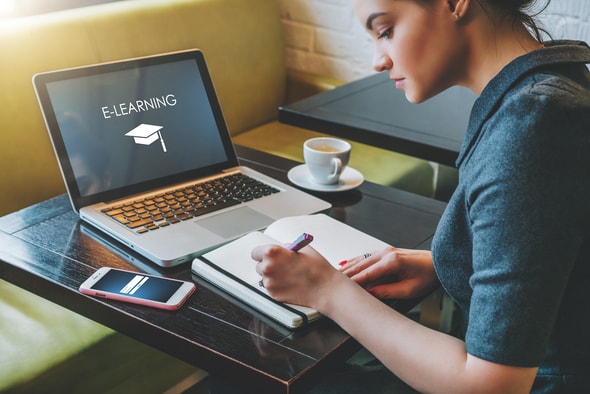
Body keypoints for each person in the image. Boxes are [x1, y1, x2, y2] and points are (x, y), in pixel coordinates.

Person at [251, 0, 590, 392]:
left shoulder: (533, 124)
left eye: (386, 31)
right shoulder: (552, 82)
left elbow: (494, 385)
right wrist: (451, 263)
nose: (378, 60)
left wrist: (329, 291)